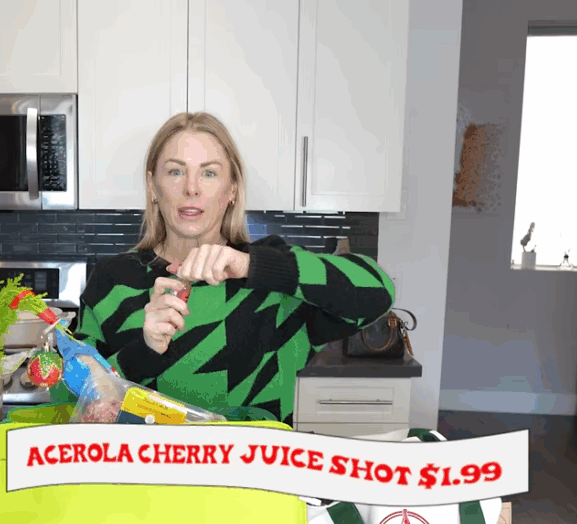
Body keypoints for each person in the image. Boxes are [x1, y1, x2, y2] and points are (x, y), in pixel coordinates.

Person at [61, 112, 396, 425]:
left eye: (209, 173)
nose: (191, 188)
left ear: (232, 189)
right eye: (175, 171)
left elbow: (378, 293)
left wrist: (251, 264)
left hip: (255, 469)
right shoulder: (112, 280)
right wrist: (145, 350)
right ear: (153, 187)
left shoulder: (274, 275)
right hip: (140, 469)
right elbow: (71, 404)